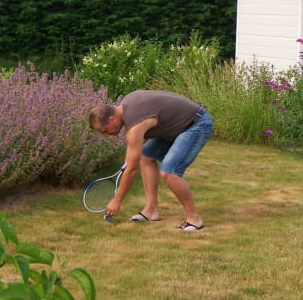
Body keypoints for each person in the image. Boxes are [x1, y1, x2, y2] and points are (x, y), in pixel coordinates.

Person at [88, 89, 213, 231]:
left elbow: (131, 169)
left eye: (104, 130)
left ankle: (194, 219)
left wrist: (116, 201)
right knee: (145, 156)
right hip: (177, 126)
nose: (106, 135)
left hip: (196, 124)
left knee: (169, 172)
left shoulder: (135, 127)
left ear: (112, 119)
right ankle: (151, 210)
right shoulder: (127, 102)